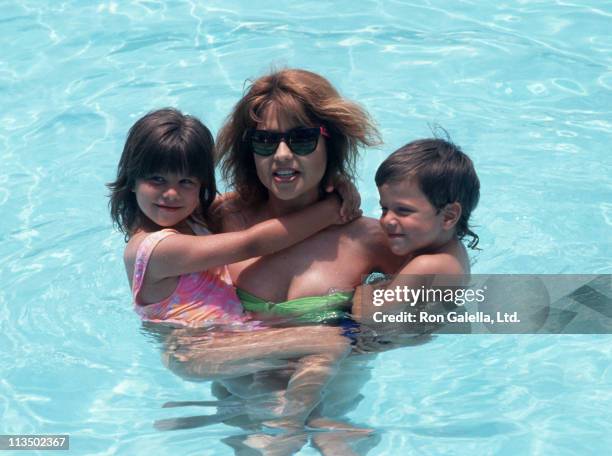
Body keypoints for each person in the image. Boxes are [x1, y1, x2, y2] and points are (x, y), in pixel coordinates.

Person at [107, 108, 360, 429]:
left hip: (229, 342)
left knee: (273, 406)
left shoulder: (192, 218)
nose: (171, 193)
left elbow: (253, 199)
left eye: (186, 181)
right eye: (157, 179)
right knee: (332, 343)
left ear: (201, 186)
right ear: (131, 181)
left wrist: (324, 182)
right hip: (196, 351)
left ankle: (231, 420)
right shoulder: (156, 249)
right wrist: (332, 209)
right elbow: (252, 244)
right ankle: (288, 429)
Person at [212, 68, 405, 451]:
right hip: (243, 398)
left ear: (330, 145)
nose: (282, 155)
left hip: (331, 402)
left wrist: (374, 325)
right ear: (249, 150)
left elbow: (446, 293)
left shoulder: (369, 239)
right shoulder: (220, 220)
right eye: (265, 141)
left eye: (301, 139)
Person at [351, 137, 481, 322]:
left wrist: (366, 288)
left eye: (403, 211)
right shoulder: (452, 250)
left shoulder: (427, 266)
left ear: (448, 216)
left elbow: (370, 318)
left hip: (368, 340)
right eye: (384, 208)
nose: (387, 220)